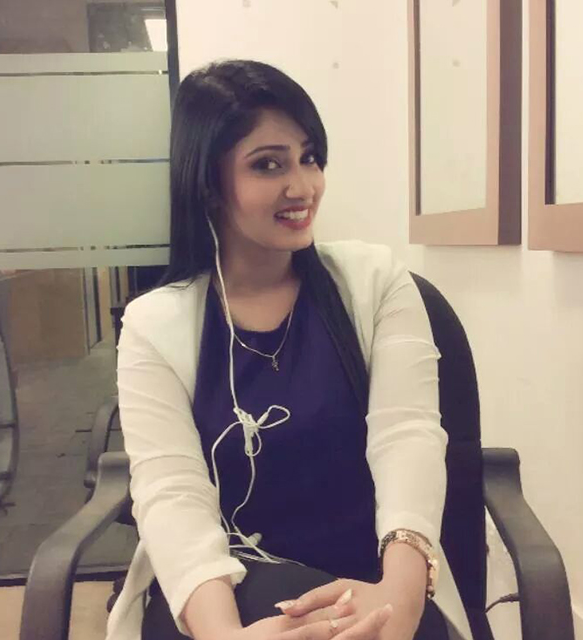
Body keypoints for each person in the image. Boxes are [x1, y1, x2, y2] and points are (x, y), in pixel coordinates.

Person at [106, 59, 472, 640]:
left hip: (371, 581)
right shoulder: (155, 326)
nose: (302, 187)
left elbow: (408, 435)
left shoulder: (376, 282)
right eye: (268, 164)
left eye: (310, 157)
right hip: (218, 592)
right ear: (207, 183)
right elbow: (171, 492)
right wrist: (225, 636)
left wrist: (399, 600)